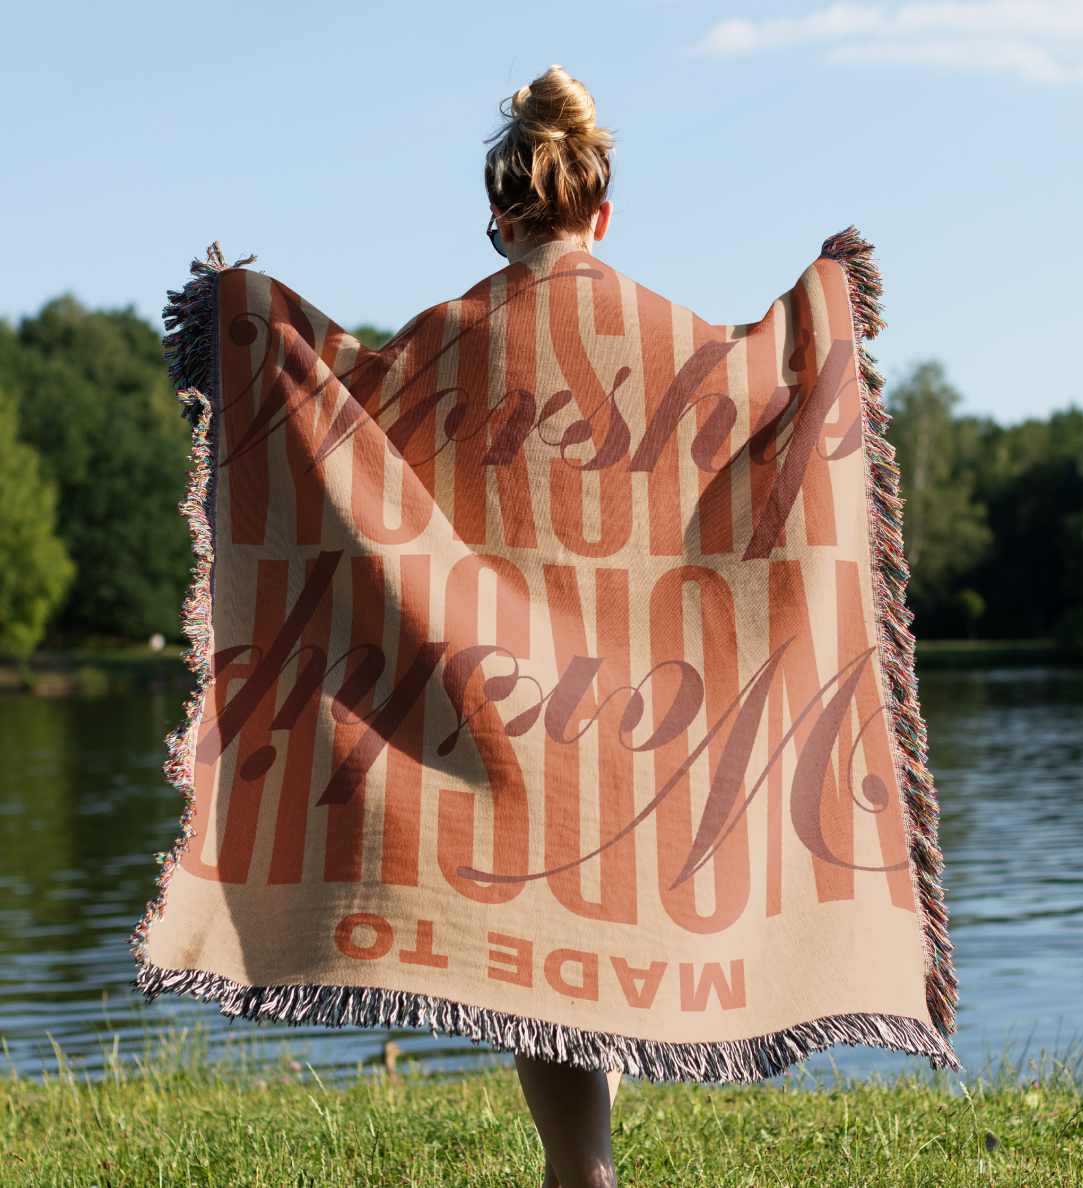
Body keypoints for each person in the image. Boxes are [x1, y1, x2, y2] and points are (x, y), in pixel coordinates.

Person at [483, 64, 621, 1188]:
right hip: (644, 686)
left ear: (497, 218)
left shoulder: (447, 341)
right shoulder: (668, 341)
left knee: (539, 948)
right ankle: (589, 1166)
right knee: (607, 928)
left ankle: (581, 1171)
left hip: (500, 688)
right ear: (603, 214)